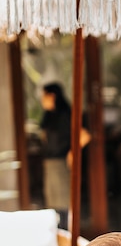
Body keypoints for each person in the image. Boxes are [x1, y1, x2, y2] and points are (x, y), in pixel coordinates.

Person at [39, 82, 90, 229]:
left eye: (44, 96)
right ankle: (58, 235)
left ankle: (66, 233)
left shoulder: (65, 114)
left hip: (61, 162)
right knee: (52, 202)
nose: (42, 99)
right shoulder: (48, 116)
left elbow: (84, 135)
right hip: (50, 162)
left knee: (63, 202)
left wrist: (72, 152)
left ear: (52, 96)